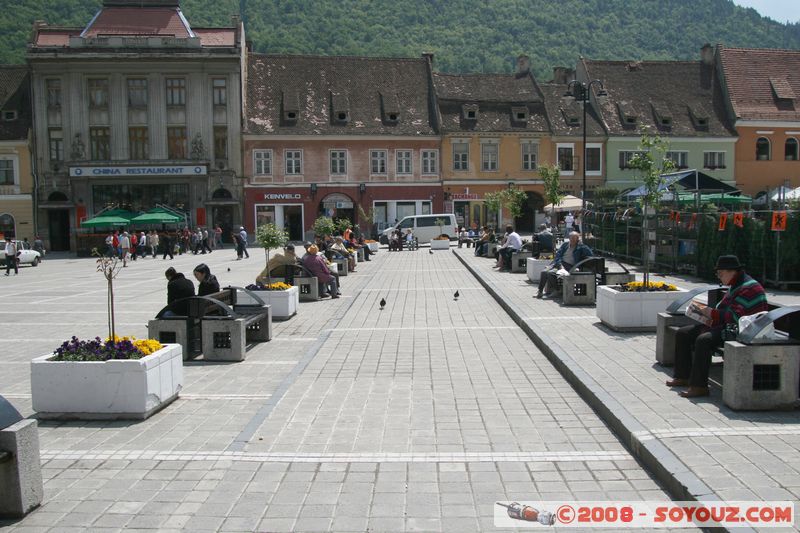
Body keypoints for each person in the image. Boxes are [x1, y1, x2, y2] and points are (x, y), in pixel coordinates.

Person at [667, 255, 768, 398]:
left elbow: (735, 317)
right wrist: (705, 314)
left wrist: (710, 313)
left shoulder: (749, 288)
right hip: (725, 326)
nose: (719, 277)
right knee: (684, 333)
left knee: (703, 340)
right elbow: (726, 313)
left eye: (720, 274)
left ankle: (699, 386)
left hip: (741, 331)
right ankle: (682, 376)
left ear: (732, 271)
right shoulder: (736, 284)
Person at [536, 231, 593, 298]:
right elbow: (558, 256)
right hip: (559, 263)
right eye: (571, 238)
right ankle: (540, 291)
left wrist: (582, 245)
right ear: (569, 238)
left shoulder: (580, 247)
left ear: (577, 239)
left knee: (550, 273)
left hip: (570, 266)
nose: (573, 240)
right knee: (544, 272)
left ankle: (557, 290)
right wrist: (560, 265)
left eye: (575, 239)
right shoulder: (565, 245)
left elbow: (590, 254)